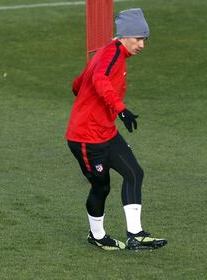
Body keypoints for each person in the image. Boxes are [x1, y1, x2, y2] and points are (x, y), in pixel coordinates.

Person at [66, 8, 167, 250]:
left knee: (134, 173)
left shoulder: (109, 54)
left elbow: (77, 85)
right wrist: (120, 109)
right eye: (138, 38)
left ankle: (136, 234)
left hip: (105, 132)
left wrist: (88, 100)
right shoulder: (111, 55)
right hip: (86, 138)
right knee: (101, 186)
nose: (141, 44)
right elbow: (99, 79)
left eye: (144, 39)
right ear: (123, 36)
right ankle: (97, 235)